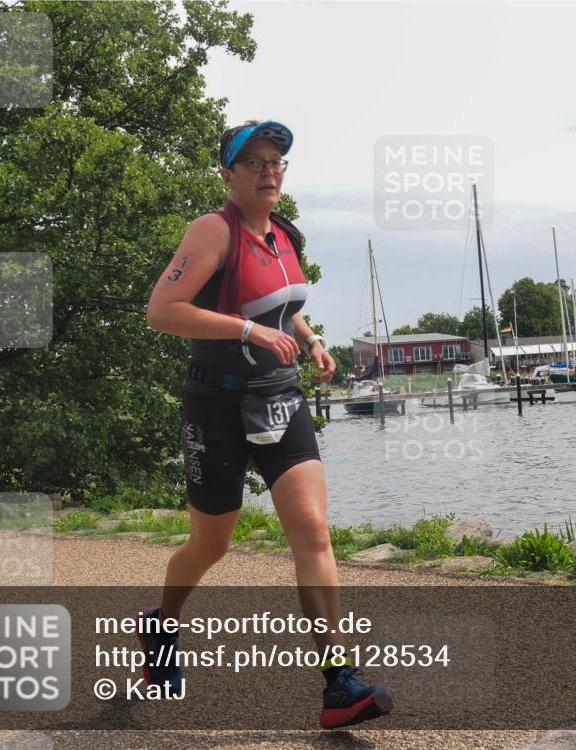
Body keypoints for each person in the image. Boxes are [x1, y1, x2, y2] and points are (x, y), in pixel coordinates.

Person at [143, 120, 393, 729]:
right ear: (227, 175)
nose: (268, 171)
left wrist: (311, 341)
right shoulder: (213, 230)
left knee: (312, 531)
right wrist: (247, 331)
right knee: (212, 544)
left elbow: (282, 306)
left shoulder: (285, 234)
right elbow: (162, 312)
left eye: (276, 161)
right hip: (216, 405)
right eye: (252, 161)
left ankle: (339, 682)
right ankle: (161, 626)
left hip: (279, 397)